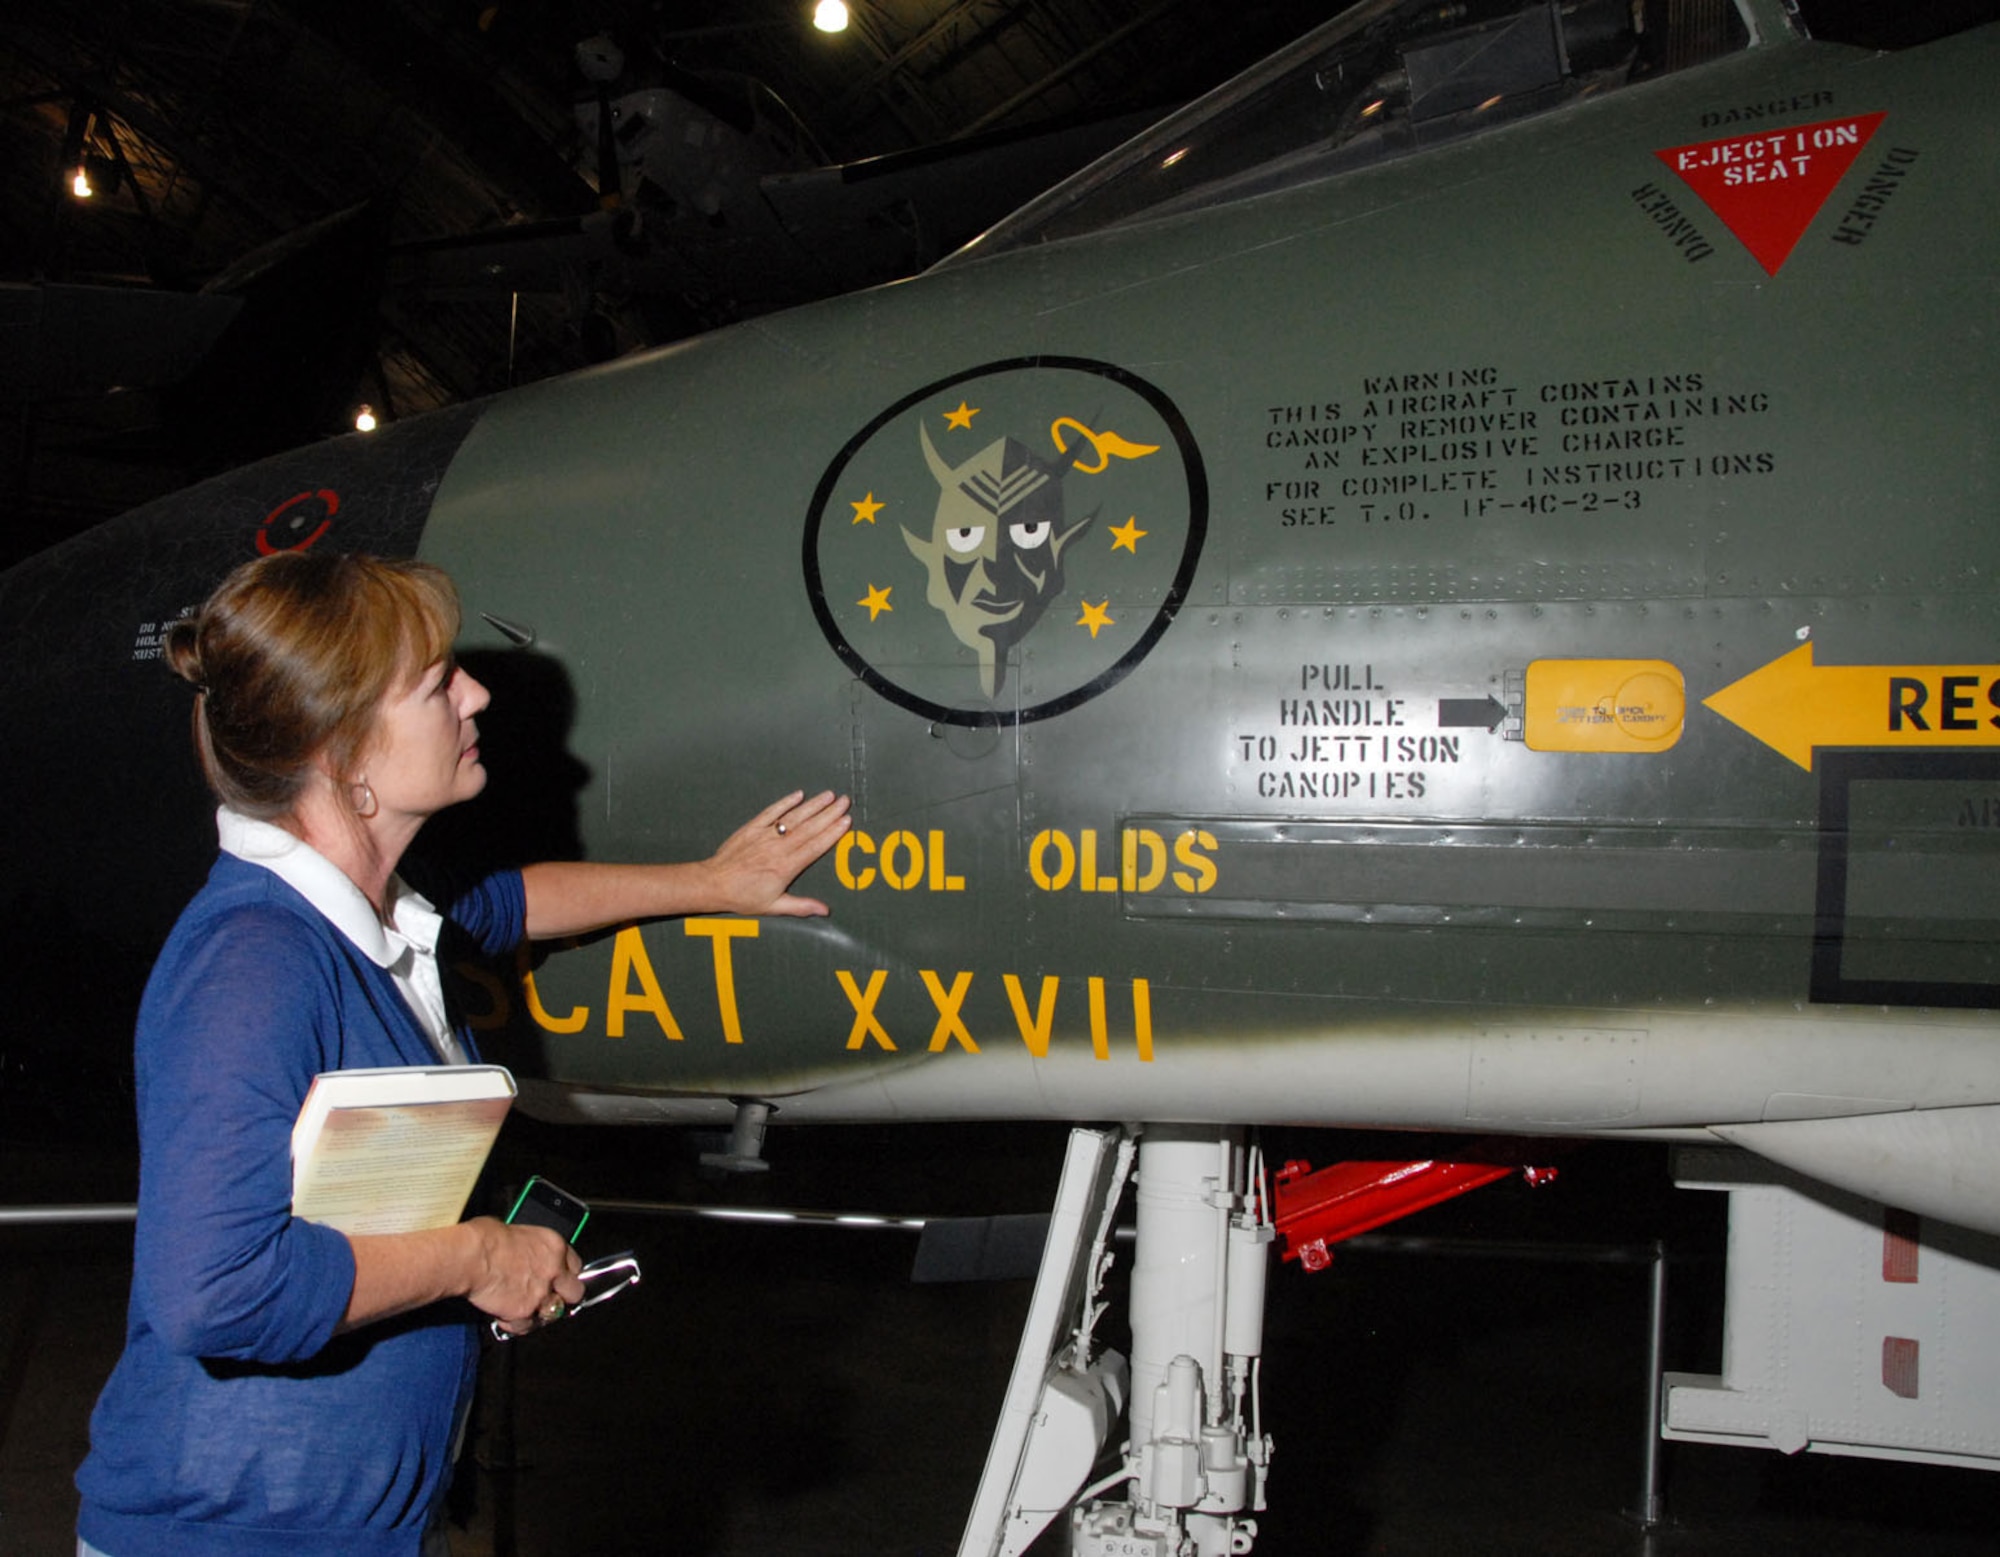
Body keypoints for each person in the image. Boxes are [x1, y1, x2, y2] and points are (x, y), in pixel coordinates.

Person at [74, 551, 849, 1556]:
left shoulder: (386, 912)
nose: (476, 691)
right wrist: (477, 1256)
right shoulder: (254, 965)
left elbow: (514, 900)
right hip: (235, 1527)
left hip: (342, 1519)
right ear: (343, 753)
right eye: (438, 683)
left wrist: (713, 880)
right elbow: (217, 1291)